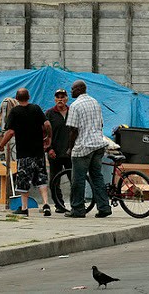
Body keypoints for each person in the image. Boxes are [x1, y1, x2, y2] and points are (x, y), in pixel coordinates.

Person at [0, 88, 53, 217]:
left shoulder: (15, 112)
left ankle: (24, 207)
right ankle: (45, 204)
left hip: (24, 153)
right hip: (38, 152)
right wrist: (48, 137)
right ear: (29, 97)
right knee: (41, 178)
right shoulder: (36, 109)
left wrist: (1, 145)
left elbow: (10, 132)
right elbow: (48, 125)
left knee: (23, 180)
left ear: (16, 98)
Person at [64, 79, 111, 218]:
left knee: (78, 180)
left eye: (72, 89)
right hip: (98, 145)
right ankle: (104, 207)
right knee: (97, 177)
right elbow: (101, 124)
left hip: (83, 147)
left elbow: (73, 130)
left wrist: (70, 148)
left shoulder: (75, 106)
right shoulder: (95, 102)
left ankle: (78, 209)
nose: (71, 91)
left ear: (79, 90)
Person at [46, 88, 72, 213]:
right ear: (55, 99)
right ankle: (59, 205)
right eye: (58, 97)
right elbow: (44, 134)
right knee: (54, 181)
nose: (60, 99)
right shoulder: (49, 114)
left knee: (75, 180)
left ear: (67, 98)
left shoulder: (72, 112)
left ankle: (76, 204)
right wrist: (49, 149)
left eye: (62, 97)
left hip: (71, 153)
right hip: (54, 153)